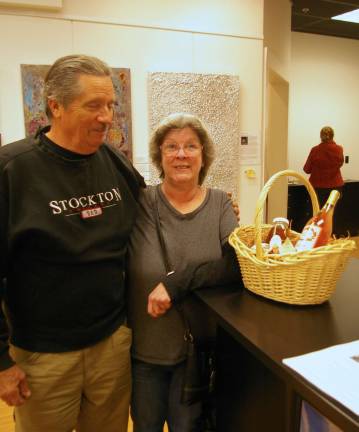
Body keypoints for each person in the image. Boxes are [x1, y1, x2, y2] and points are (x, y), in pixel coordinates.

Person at [0, 54, 145, 432]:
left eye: (111, 105)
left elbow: (152, 216)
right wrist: (1, 362)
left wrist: (208, 204)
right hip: (43, 358)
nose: (107, 117)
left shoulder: (114, 160)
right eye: (93, 106)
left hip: (111, 345)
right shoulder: (13, 170)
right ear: (56, 107)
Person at [127, 113, 242, 432]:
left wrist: (176, 283)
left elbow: (236, 265)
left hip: (196, 354)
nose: (181, 154)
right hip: (145, 354)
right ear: (159, 156)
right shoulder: (140, 203)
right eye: (171, 147)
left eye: (191, 146)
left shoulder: (220, 204)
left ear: (203, 156)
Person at [303, 126, 344, 207]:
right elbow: (340, 163)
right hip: (335, 187)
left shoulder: (315, 150)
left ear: (321, 136)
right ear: (333, 136)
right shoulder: (339, 149)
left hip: (318, 188)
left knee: (317, 212)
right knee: (332, 213)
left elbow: (307, 169)